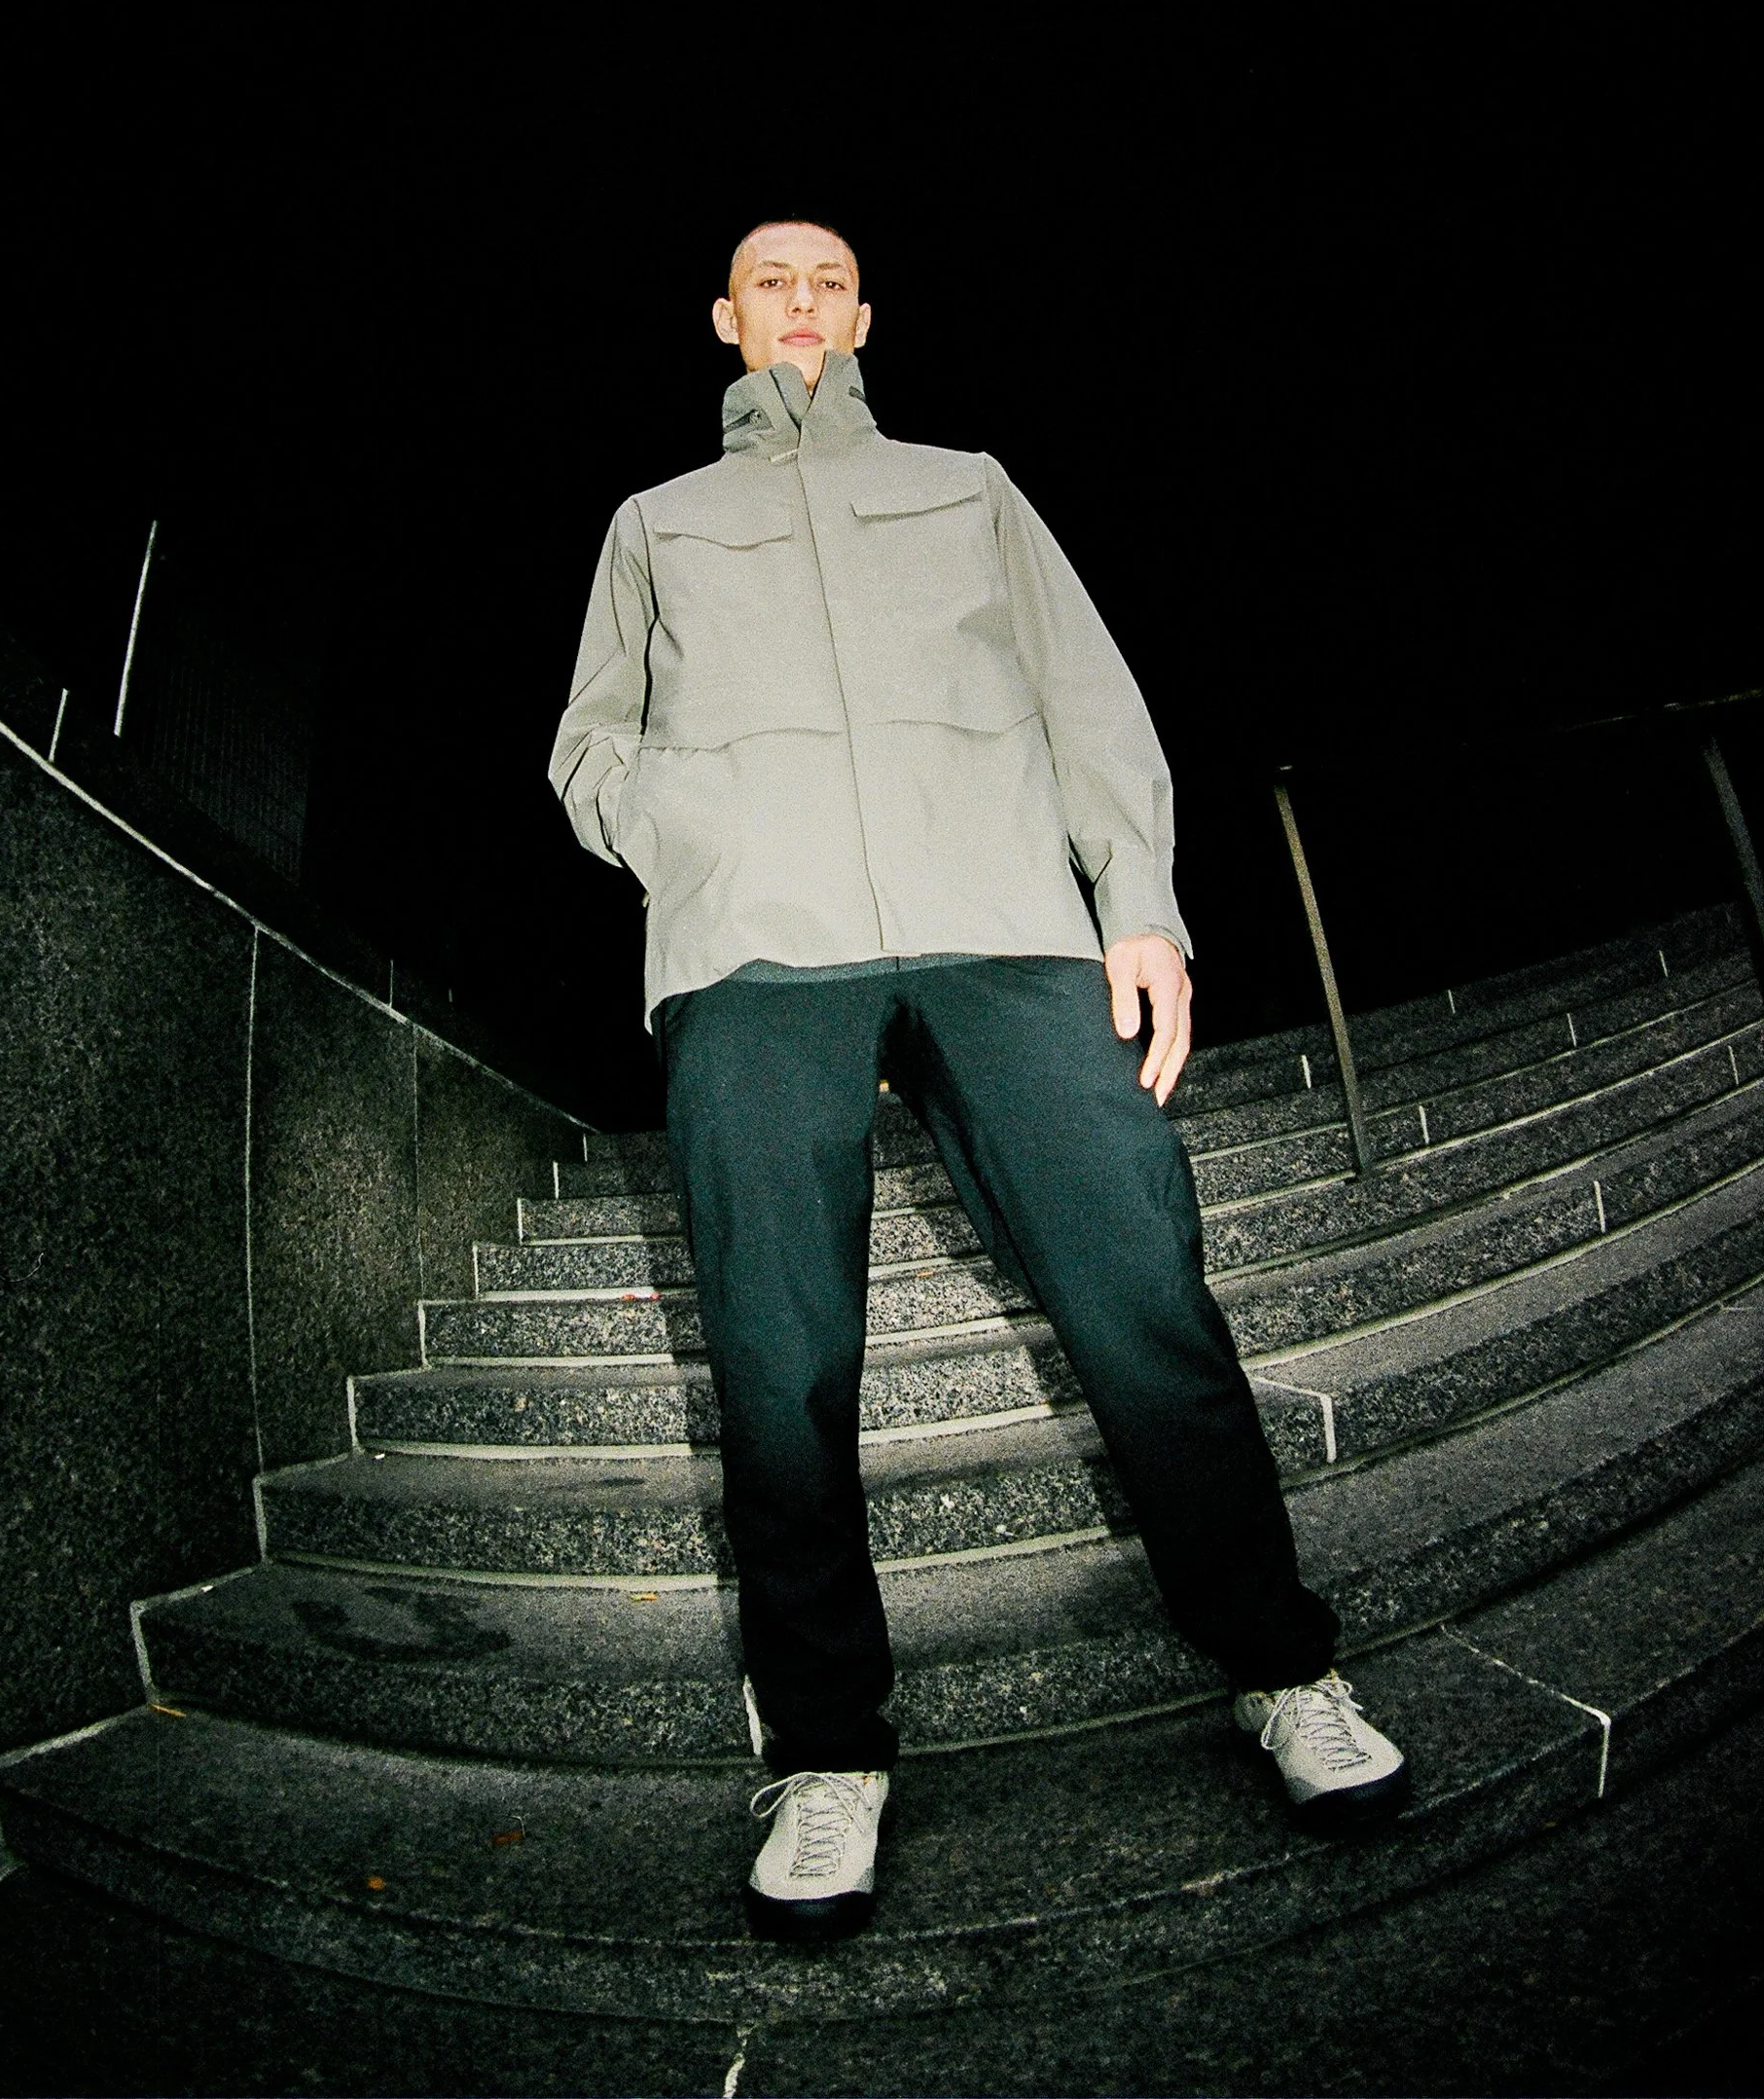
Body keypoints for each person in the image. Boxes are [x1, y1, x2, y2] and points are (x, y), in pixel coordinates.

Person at [550, 219, 1407, 1946]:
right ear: (723, 316)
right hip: (758, 956)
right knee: (781, 1361)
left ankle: (1281, 1666)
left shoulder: (969, 484)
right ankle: (827, 1757)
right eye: (767, 277)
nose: (799, 298)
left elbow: (1092, 702)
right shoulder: (657, 522)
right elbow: (590, 741)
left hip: (1003, 925)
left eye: (827, 277)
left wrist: (1139, 905)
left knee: (1143, 1292)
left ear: (863, 313)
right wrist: (689, 840)